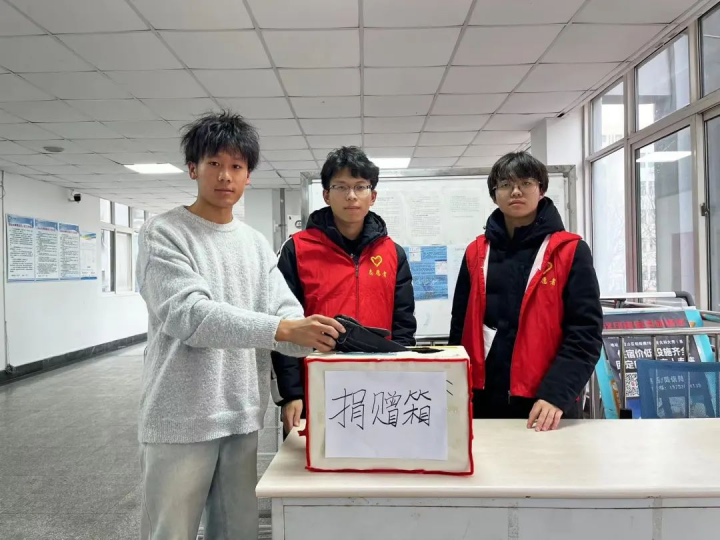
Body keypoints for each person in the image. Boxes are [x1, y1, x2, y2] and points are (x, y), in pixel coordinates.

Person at [136, 110, 345, 540]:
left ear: (248, 175)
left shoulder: (254, 243)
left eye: (236, 166)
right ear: (193, 168)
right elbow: (190, 315)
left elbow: (286, 315)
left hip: (241, 414)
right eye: (214, 163)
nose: (225, 176)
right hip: (181, 417)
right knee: (170, 532)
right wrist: (283, 330)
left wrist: (313, 335)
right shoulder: (164, 232)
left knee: (238, 531)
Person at [449, 152, 602, 431]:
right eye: (506, 184)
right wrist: (453, 389)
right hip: (483, 398)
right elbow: (459, 328)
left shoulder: (569, 251)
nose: (516, 191)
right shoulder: (476, 252)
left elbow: (585, 333)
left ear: (541, 190)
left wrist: (556, 393)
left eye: (526, 183)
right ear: (494, 195)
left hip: (546, 402)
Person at [272, 146, 417, 433]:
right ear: (326, 195)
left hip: (381, 385)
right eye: (341, 187)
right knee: (315, 460)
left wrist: (404, 378)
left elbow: (403, 324)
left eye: (360, 186)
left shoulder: (393, 253)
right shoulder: (297, 249)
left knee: (380, 456)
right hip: (317, 384)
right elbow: (283, 324)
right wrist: (291, 394)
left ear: (372, 196)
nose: (351, 195)